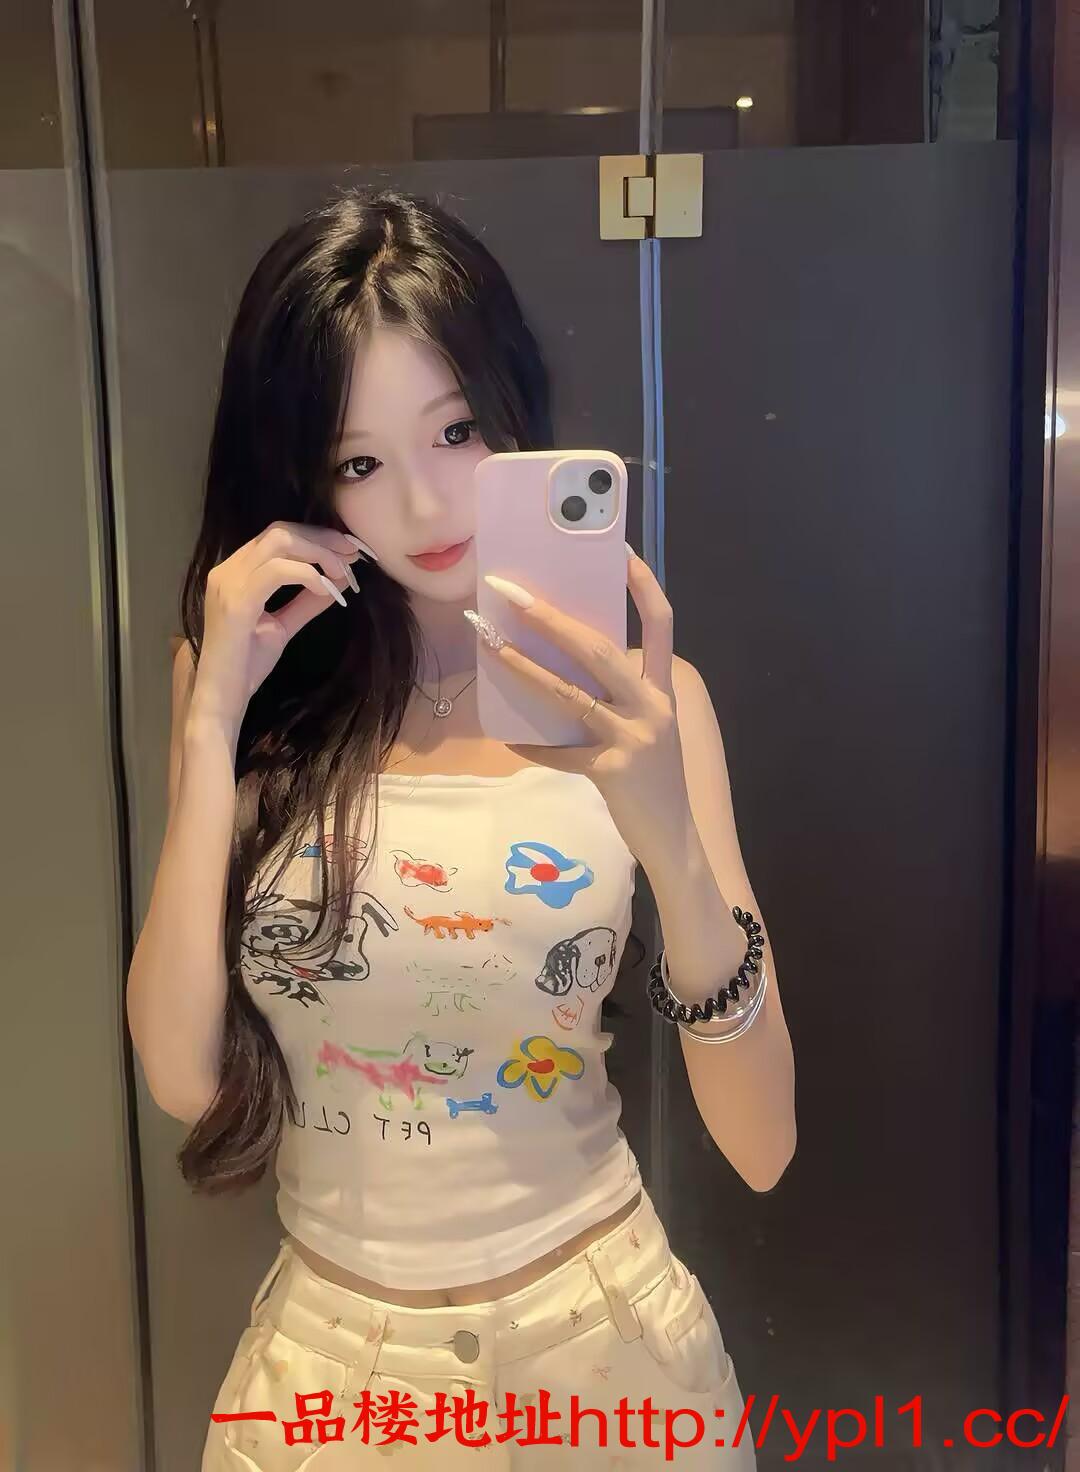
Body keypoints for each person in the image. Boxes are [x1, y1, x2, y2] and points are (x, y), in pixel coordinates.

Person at [126, 186, 796, 1470]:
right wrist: (211, 725)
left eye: (456, 430)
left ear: (513, 409)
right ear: (300, 476)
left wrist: (670, 838)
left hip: (603, 1353)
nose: (428, 508)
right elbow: (181, 1076)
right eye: (361, 462)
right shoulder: (247, 695)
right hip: (333, 1370)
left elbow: (763, 1146)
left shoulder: (648, 706)